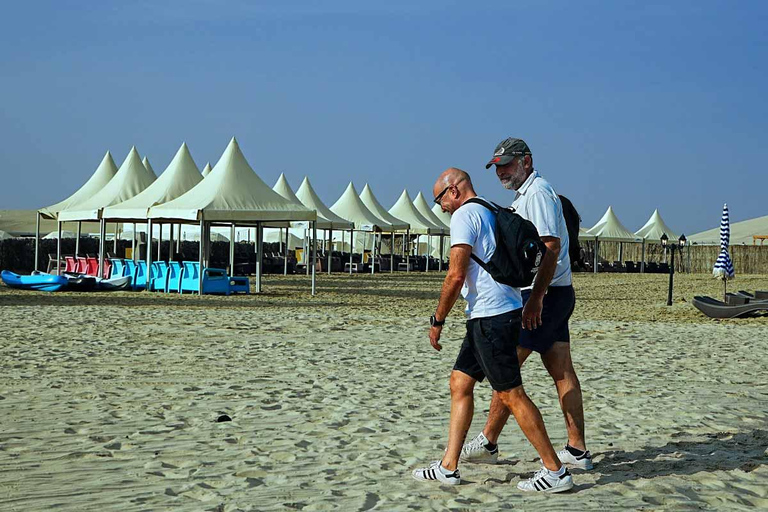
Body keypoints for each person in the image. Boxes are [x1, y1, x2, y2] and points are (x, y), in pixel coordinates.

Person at [411, 167, 574, 493]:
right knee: (459, 382)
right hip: (490, 314)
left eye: (439, 199)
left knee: (511, 394)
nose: (440, 207)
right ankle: (449, 466)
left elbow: (455, 276)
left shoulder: (463, 217)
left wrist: (437, 319)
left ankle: (554, 470)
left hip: (492, 318)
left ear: (453, 191)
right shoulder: (490, 208)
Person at [460, 138, 592, 470]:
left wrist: (534, 298)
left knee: (505, 369)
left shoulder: (538, 194)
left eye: (506, 164)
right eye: (497, 167)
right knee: (561, 370)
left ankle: (489, 441)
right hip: (556, 293)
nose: (501, 172)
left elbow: (551, 246)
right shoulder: (528, 196)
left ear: (526, 162)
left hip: (544, 295)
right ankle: (577, 449)